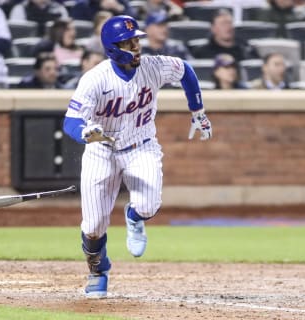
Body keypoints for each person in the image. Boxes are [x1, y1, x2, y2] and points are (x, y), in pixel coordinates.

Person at [62, 15, 212, 298]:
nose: (137, 45)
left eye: (137, 39)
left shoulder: (153, 66)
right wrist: (85, 131)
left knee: (148, 205)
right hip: (101, 152)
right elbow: (70, 120)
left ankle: (133, 217)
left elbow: (186, 71)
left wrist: (198, 111)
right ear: (113, 48)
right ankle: (98, 270)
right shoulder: (95, 79)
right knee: (93, 226)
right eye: (129, 42)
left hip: (141, 146)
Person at [191, 9, 258, 61]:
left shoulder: (246, 49)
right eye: (223, 24)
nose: (227, 27)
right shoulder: (202, 53)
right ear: (213, 28)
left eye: (229, 23)